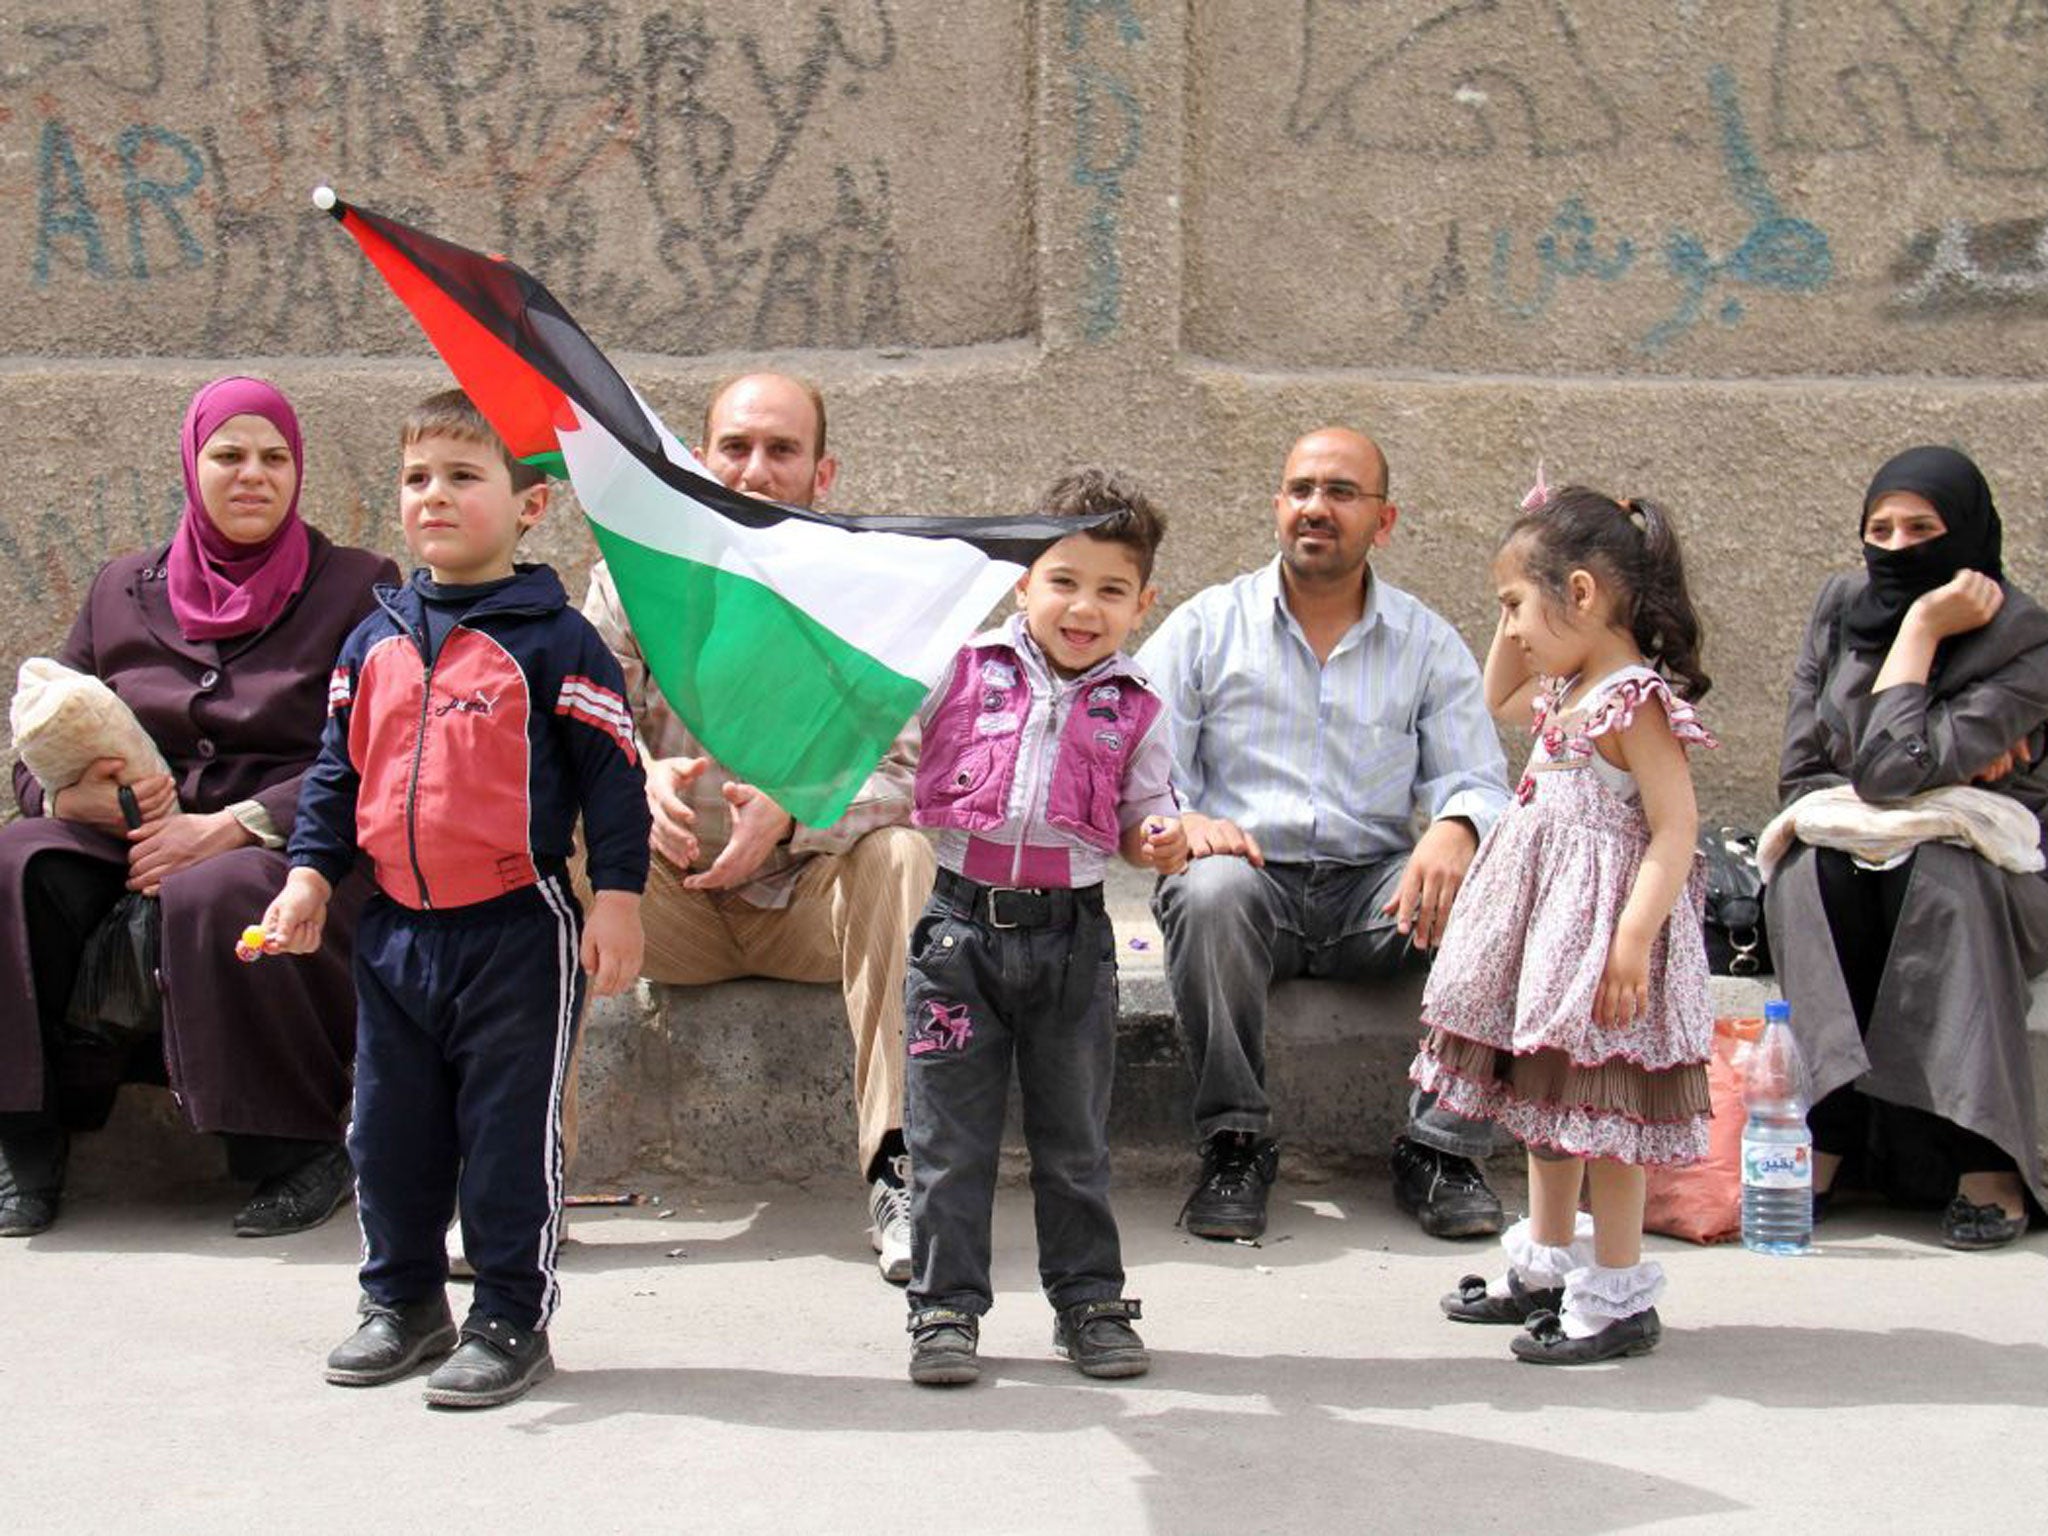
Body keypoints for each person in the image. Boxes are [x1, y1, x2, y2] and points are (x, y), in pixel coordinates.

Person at [261, 390, 648, 1410]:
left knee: (508, 1135)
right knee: (386, 1131)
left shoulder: (558, 641)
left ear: (529, 507)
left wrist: (618, 898)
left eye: (463, 476)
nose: (434, 495)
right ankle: (401, 1302)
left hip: (515, 927)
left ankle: (509, 1318)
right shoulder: (372, 639)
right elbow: (335, 777)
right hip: (391, 932)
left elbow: (613, 779)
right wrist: (308, 876)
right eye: (417, 477)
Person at [0, 377, 397, 1239]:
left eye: (274, 458)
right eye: (229, 455)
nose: (252, 475)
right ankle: (27, 1137)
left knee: (218, 891)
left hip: (288, 841)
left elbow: (375, 745)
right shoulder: (119, 589)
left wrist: (224, 827)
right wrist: (72, 797)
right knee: (15, 861)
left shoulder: (359, 586)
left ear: (298, 473)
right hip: (133, 833)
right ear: (192, 464)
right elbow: (38, 741)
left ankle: (294, 1147)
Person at [580, 371, 933, 1282]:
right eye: (735, 447)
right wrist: (634, 778)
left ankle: (901, 1172)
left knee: (903, 856)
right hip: (672, 903)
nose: (754, 469)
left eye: (782, 451)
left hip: (808, 906)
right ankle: (526, 1171)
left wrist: (792, 812)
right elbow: (574, 734)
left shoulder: (869, 596)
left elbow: (908, 775)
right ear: (700, 460)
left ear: (823, 474)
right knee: (558, 850)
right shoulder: (636, 583)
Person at [1136, 428, 1513, 1242]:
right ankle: (1234, 1142)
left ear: (1385, 520)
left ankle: (1441, 1149)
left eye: (1342, 493)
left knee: (1497, 885)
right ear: (1278, 506)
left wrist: (1454, 826)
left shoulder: (1425, 643)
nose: (1317, 507)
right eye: (1301, 489)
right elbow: (1137, 765)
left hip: (1373, 897)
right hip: (1250, 885)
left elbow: (1480, 782)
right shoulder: (1208, 626)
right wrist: (1186, 819)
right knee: (1209, 889)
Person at [1415, 482, 1716, 1365]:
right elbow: (1495, 694)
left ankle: (1617, 1293)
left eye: (1517, 605)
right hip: (1544, 944)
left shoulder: (1634, 701)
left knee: (1604, 1121)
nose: (1509, 626)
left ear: (1581, 594)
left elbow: (1675, 828)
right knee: (1549, 1108)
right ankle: (1546, 1263)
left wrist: (1631, 940)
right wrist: (1514, 606)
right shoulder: (1568, 687)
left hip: (1602, 945)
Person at [901, 469, 1187, 1387]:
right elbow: (886, 766)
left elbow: (1148, 817)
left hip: (1074, 941)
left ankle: (1089, 1302)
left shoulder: (1138, 704)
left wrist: (1164, 838)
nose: (1083, 607)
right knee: (949, 1140)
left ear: (1142, 604)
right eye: (1063, 580)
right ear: (1023, 580)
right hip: (957, 938)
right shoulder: (958, 669)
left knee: (1074, 1142)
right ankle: (945, 1309)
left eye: (1111, 590)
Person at [1766, 445, 2048, 1249]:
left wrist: (1921, 627)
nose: (1895, 548)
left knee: (1941, 873)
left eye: (1921, 528)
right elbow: (1802, 774)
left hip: (2000, 876)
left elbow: (1884, 773)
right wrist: (1942, 766)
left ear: (1966, 534)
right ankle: (1829, 1130)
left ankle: (1984, 1154)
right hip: (1859, 855)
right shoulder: (1839, 607)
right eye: (1878, 529)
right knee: (1813, 871)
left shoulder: (2024, 639)